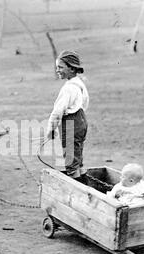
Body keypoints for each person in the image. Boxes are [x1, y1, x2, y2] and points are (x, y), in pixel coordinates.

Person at [46, 50, 89, 182]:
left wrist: (50, 129)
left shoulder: (68, 88)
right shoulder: (80, 83)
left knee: (70, 162)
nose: (57, 70)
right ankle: (85, 183)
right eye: (57, 67)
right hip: (81, 120)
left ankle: (78, 190)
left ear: (71, 68)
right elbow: (85, 102)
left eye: (60, 67)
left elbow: (57, 112)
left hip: (71, 124)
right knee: (78, 158)